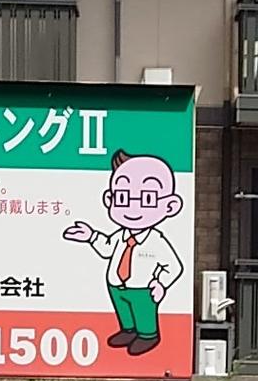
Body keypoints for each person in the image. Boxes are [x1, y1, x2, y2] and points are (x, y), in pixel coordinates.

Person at [60, 151, 187, 354]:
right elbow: (107, 248)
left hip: (142, 288)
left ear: (170, 206)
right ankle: (128, 330)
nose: (133, 206)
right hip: (116, 285)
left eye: (147, 198)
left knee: (144, 314)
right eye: (122, 197)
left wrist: (161, 283)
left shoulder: (156, 240)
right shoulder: (120, 236)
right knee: (124, 312)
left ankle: (148, 335)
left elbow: (174, 266)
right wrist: (91, 236)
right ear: (109, 199)